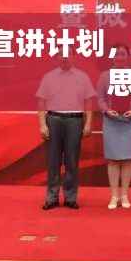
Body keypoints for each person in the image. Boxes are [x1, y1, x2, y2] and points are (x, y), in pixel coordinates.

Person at [36, 54, 95, 210]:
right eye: (61, 55)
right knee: (53, 161)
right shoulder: (48, 77)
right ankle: (52, 197)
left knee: (72, 161)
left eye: (68, 54)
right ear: (57, 58)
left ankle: (70, 197)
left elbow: (89, 102)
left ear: (73, 57)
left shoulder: (82, 77)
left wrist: (88, 123)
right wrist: (42, 124)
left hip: (75, 120)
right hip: (53, 119)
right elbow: (41, 101)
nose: (64, 58)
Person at [97, 44, 131, 210]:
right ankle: (114, 195)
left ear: (128, 57)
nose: (119, 57)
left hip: (130, 121)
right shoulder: (105, 76)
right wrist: (107, 110)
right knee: (113, 160)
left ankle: (124, 195)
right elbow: (100, 98)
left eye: (123, 54)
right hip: (111, 121)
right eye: (116, 54)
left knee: (127, 160)